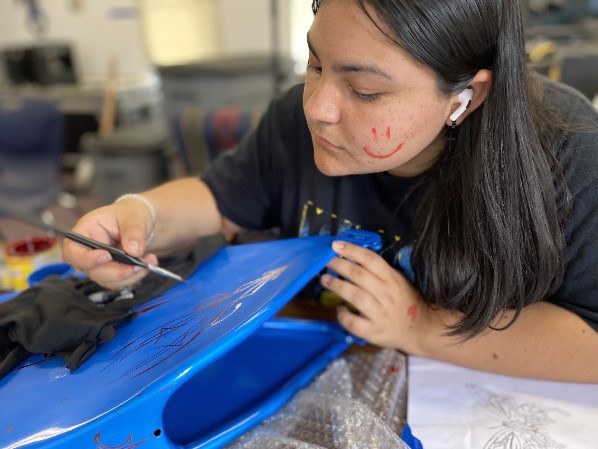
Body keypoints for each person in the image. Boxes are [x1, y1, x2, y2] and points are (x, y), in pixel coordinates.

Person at [63, 0, 598, 382]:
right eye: (315, 64)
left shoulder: (569, 153)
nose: (316, 107)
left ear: (467, 96)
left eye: (365, 91)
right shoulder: (293, 123)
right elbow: (218, 200)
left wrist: (420, 327)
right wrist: (139, 214)